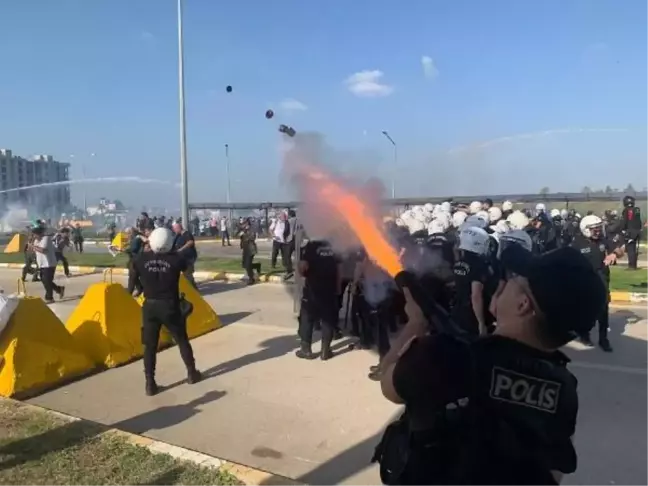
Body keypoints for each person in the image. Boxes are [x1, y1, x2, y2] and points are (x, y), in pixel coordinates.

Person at [374, 246, 607, 485]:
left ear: (523, 305)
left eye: (514, 279)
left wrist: (415, 325)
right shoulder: (564, 387)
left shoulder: (446, 355)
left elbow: (388, 385)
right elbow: (554, 468)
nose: (503, 284)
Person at [128, 227, 202, 396]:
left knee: (150, 346)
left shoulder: (140, 259)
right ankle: (191, 373)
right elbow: (188, 269)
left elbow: (132, 276)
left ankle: (150, 383)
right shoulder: (176, 259)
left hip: (150, 307)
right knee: (182, 339)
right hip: (170, 305)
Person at [570, 215, 620, 352]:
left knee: (603, 311)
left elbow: (619, 249)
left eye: (599, 228)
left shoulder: (603, 240)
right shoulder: (577, 244)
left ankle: (603, 339)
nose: (598, 231)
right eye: (595, 229)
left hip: (602, 278)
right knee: (586, 311)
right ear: (586, 229)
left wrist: (614, 254)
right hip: (585, 281)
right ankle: (584, 335)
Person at [296, 236, 341, 360]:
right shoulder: (335, 244)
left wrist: (301, 273)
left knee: (307, 316)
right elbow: (339, 269)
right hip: (330, 288)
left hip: (313, 288)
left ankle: (306, 350)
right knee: (328, 319)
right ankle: (325, 351)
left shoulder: (312, 245)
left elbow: (303, 266)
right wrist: (338, 288)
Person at [30, 226, 65, 303]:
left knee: (47, 280)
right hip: (41, 264)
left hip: (50, 264)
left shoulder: (46, 239)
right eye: (33, 235)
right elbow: (35, 250)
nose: (34, 236)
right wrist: (32, 248)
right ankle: (59, 289)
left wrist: (33, 246)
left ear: (39, 234)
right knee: (44, 280)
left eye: (35, 234)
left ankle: (49, 298)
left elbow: (43, 250)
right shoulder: (36, 241)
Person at [172, 222, 198, 289]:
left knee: (187, 274)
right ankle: (193, 288)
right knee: (186, 274)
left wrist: (180, 250)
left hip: (189, 257)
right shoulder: (178, 236)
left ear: (178, 228)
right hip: (182, 258)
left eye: (175, 229)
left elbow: (190, 242)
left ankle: (192, 290)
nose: (174, 231)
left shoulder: (187, 234)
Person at [621, 195, 641, 270]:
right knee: (634, 249)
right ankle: (634, 265)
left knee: (630, 249)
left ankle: (631, 266)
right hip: (637, 231)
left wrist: (623, 230)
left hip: (630, 231)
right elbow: (638, 221)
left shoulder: (626, 210)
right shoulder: (637, 209)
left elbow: (624, 221)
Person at [239, 218, 261, 284]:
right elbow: (238, 235)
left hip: (251, 248)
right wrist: (241, 234)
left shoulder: (252, 229)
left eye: (244, 223)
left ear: (247, 223)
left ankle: (251, 279)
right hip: (245, 248)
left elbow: (252, 237)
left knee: (248, 265)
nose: (243, 224)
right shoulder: (243, 229)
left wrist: (244, 234)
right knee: (244, 265)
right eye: (242, 223)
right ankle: (257, 266)